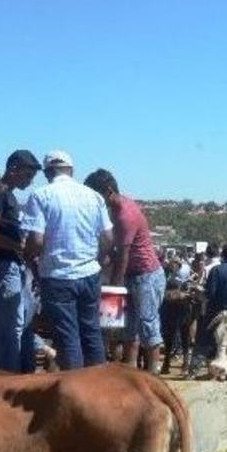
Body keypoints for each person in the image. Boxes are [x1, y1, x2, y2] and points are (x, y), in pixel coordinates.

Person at [21, 151, 113, 370]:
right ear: (71, 170)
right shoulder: (93, 196)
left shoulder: (41, 196)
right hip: (89, 273)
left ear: (47, 173)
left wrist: (30, 259)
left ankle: (75, 390)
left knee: (67, 335)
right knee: (91, 331)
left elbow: (36, 239)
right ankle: (99, 385)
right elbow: (108, 237)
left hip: (57, 277)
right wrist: (96, 258)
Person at [84, 168, 166, 373]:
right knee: (129, 329)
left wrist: (113, 291)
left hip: (146, 275)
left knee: (148, 325)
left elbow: (122, 256)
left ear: (108, 191)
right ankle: (130, 373)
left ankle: (152, 374)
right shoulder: (115, 209)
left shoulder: (125, 216)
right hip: (133, 274)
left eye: (96, 195)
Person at [0, 151, 40, 371]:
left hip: (8, 265)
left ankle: (18, 372)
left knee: (18, 324)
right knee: (11, 327)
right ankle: (9, 377)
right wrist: (19, 247)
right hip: (1, 265)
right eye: (28, 174)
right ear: (13, 169)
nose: (30, 180)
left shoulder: (6, 194)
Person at [188, 244, 227, 376]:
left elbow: (210, 294)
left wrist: (198, 290)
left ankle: (194, 370)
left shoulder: (216, 270)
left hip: (217, 313)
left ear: (222, 255)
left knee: (203, 340)